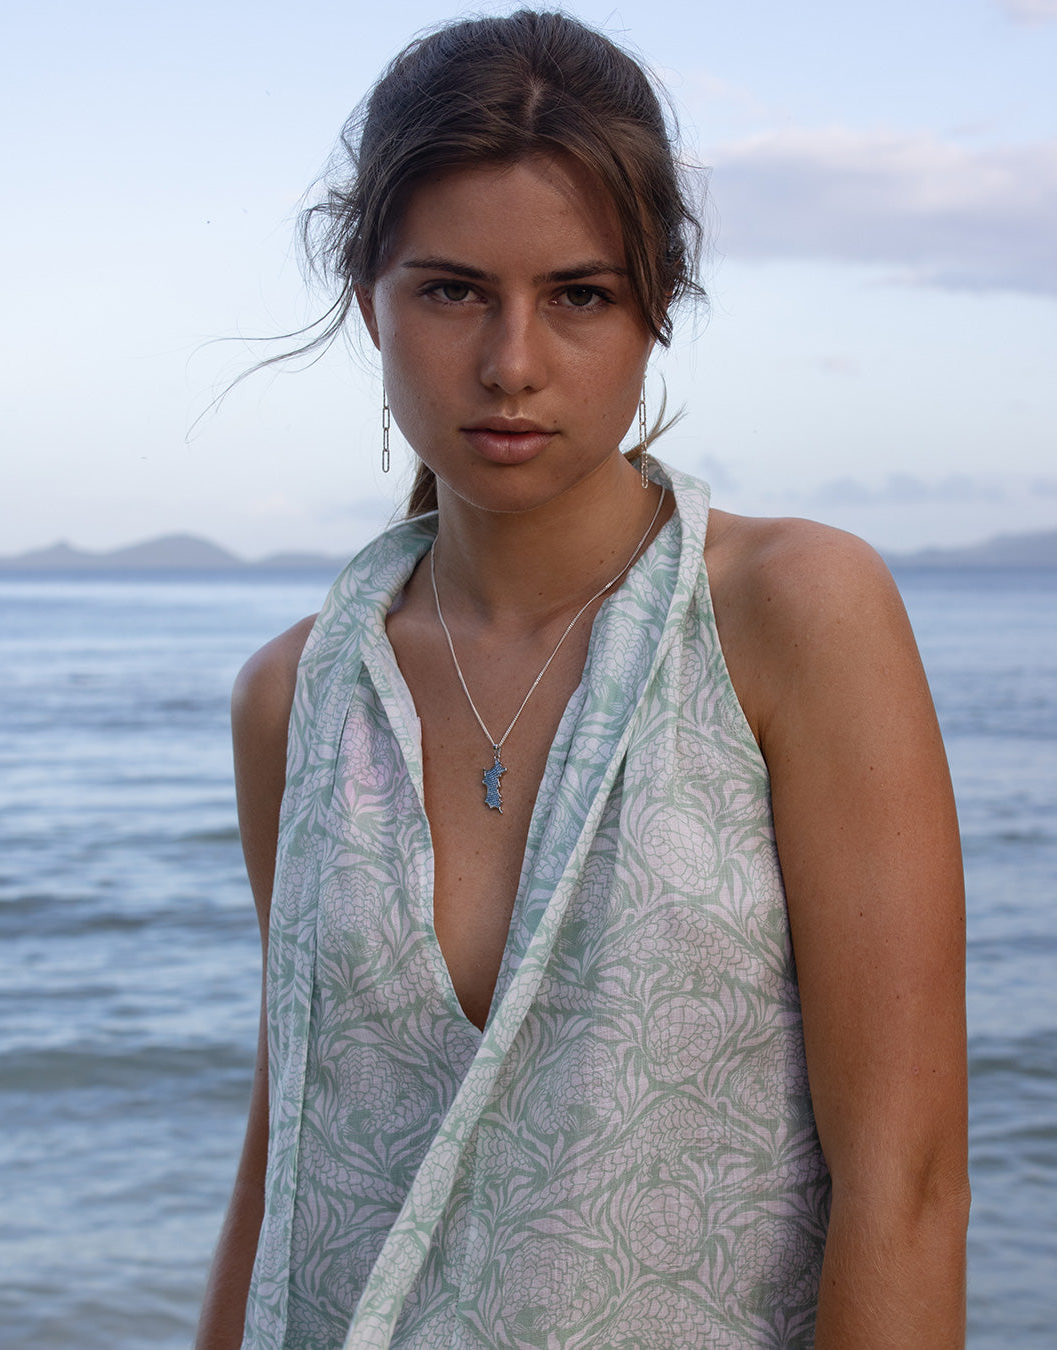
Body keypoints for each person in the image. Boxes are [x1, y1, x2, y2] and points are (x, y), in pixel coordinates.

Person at [195, 11, 969, 1349]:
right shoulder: (299, 696)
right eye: (450, 290)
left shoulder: (792, 617)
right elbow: (290, 1156)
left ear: (658, 302)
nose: (512, 361)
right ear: (364, 286)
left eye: (579, 294)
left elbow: (904, 1181)